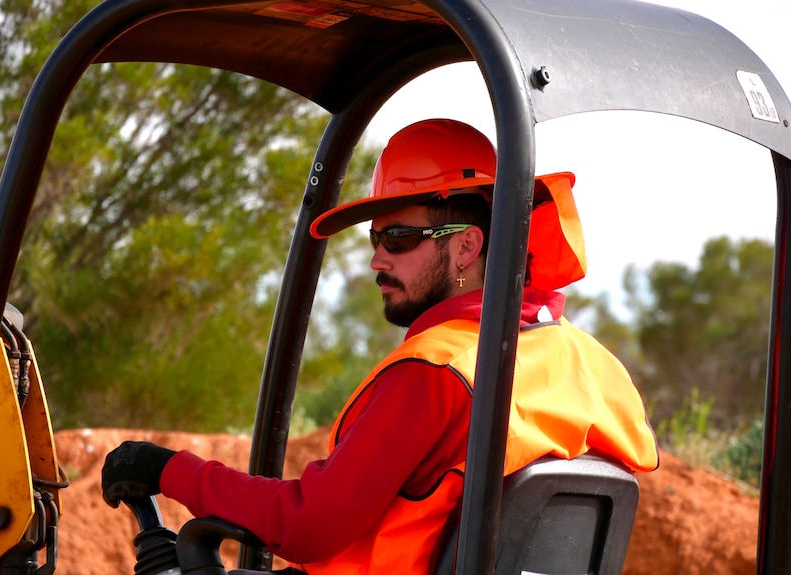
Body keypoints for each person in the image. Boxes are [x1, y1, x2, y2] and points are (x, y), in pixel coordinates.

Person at [101, 118, 659, 574]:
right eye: (376, 239)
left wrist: (169, 469)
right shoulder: (591, 367)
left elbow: (308, 526)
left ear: (467, 246)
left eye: (398, 238)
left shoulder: (434, 372)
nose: (376, 260)